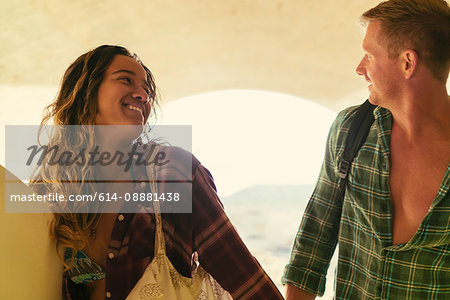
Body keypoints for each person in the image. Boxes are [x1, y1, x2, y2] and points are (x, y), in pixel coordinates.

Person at [32, 45, 283, 300]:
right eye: (126, 80)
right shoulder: (51, 189)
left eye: (147, 90)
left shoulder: (174, 172)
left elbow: (241, 275)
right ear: (87, 91)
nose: (142, 95)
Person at [282, 0, 450, 299]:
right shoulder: (351, 129)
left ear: (407, 63)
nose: (360, 68)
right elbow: (313, 241)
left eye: (369, 56)